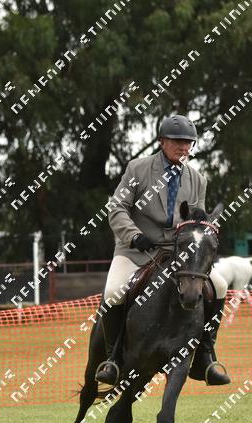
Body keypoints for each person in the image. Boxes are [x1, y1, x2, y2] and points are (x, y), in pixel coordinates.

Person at [96, 114, 230, 386]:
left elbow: (196, 222)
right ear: (161, 141)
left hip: (177, 253)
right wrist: (134, 236)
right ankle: (113, 359)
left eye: (188, 143)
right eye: (177, 141)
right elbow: (117, 208)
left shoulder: (197, 179)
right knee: (113, 292)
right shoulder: (138, 169)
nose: (184, 147)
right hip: (137, 251)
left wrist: (201, 224)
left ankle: (205, 356)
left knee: (220, 285)